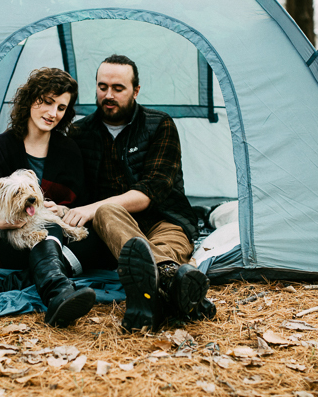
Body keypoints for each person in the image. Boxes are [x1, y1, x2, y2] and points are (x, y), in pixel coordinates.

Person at [66, 54, 215, 332]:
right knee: (108, 211)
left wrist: (91, 208)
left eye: (118, 88)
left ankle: (153, 294)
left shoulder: (159, 125)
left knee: (162, 251)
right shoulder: (78, 133)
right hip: (112, 228)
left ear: (135, 90)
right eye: (102, 87)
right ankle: (174, 287)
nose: (108, 95)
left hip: (165, 220)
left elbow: (149, 191)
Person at [0, 67, 113, 327]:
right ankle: (57, 292)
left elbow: (79, 204)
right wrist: (9, 222)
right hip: (5, 239)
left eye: (61, 107)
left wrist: (59, 209)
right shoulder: (0, 147)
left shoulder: (69, 150)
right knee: (44, 225)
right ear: (30, 100)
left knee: (97, 241)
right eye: (47, 102)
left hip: (56, 236)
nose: (52, 113)